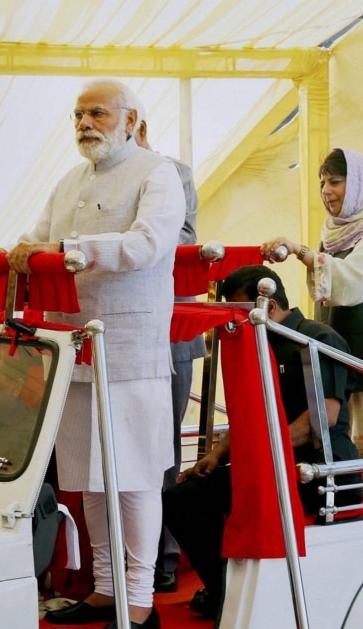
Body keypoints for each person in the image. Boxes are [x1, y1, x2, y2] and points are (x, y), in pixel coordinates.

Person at [0, 78, 184, 629]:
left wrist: (66, 252)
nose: (85, 124)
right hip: (73, 349)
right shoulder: (69, 181)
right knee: (89, 478)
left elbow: (145, 247)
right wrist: (4, 253)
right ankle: (107, 588)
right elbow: (36, 239)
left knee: (133, 478)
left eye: (98, 113)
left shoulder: (157, 173)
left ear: (133, 120)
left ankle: (140, 601)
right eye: (78, 115)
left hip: (130, 352)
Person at [163, 265, 362, 619]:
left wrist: (258, 453)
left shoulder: (317, 337)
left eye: (240, 312)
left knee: (240, 492)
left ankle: (247, 600)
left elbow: (324, 416)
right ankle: (225, 592)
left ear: (267, 306)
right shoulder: (253, 343)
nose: (236, 321)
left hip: (318, 472)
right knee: (182, 499)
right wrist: (220, 453)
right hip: (268, 464)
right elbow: (254, 415)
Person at [260, 148, 363, 475]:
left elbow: (352, 282)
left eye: (335, 181)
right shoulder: (332, 232)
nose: (326, 191)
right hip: (340, 366)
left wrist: (300, 251)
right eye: (322, 183)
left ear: (359, 184)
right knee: (343, 458)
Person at [135, 107, 200, 594]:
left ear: (136, 126)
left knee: (166, 447)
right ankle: (123, 559)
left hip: (170, 327)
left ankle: (166, 555)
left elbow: (183, 237)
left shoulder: (173, 173)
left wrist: (122, 243)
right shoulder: (85, 182)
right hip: (115, 335)